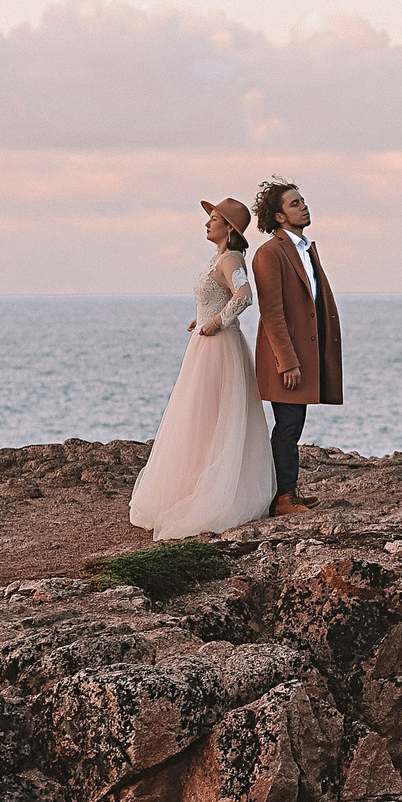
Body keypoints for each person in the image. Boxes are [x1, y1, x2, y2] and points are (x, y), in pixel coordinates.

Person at [127, 199, 277, 538]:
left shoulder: (231, 258)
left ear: (229, 227)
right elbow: (220, 296)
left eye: (213, 220)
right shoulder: (217, 258)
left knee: (214, 413)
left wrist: (217, 322)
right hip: (205, 343)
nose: (206, 225)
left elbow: (243, 295)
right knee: (200, 414)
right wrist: (204, 316)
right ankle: (194, 487)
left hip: (219, 346)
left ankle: (220, 492)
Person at [250, 177, 342, 517]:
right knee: (288, 427)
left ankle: (289, 491)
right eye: (294, 203)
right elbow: (272, 313)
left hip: (305, 353)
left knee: (295, 424)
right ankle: (283, 498)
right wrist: (287, 362)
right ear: (278, 217)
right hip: (284, 358)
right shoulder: (268, 254)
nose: (303, 206)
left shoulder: (304, 248)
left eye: (302, 201)